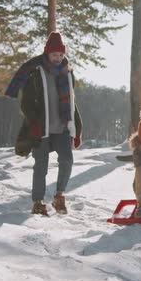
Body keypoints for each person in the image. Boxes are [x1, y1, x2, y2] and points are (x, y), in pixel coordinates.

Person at [5, 31, 83, 216]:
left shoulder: (68, 73)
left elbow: (72, 104)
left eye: (60, 55)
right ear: (47, 54)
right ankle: (38, 201)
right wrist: (33, 122)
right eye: (54, 54)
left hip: (62, 127)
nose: (57, 58)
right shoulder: (36, 73)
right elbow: (27, 102)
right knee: (41, 165)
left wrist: (77, 129)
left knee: (67, 160)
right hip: (42, 128)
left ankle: (59, 196)